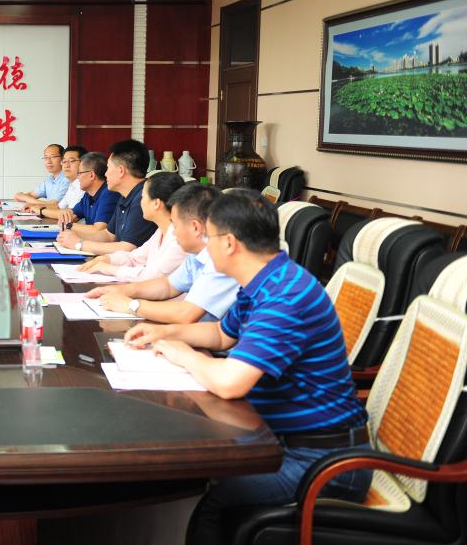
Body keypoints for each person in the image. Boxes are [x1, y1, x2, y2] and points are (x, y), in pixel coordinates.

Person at [123, 190, 370, 544]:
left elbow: (230, 383)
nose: (204, 246)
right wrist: (163, 332)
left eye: (209, 237)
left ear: (229, 243)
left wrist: (183, 354)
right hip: (279, 438)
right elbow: (222, 335)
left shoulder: (285, 296)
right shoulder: (265, 279)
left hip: (321, 460)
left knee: (213, 498)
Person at [86, 183, 238, 324]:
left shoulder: (220, 260)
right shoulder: (196, 254)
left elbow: (186, 313)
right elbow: (168, 286)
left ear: (196, 228)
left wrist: (132, 305)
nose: (173, 232)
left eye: (175, 225)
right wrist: (121, 290)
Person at [77, 171, 186, 281]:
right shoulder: (160, 232)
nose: (140, 202)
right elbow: (134, 258)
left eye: (143, 197)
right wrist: (107, 259)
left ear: (156, 203)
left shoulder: (179, 239)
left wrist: (109, 268)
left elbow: (153, 276)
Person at [57, 139, 156, 254]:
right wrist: (71, 237)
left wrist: (79, 244)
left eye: (108, 168)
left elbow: (128, 248)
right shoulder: (125, 196)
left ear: (121, 171)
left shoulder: (143, 198)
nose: (105, 173)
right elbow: (108, 235)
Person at [49, 152, 117, 228]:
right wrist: (65, 217)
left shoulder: (109, 194)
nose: (78, 177)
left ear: (91, 175)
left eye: (79, 173)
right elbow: (71, 215)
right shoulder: (88, 195)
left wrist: (69, 225)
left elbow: (99, 229)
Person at [28, 144, 87, 217]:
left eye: (71, 161)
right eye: (64, 161)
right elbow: (59, 207)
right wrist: (36, 206)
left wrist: (41, 210)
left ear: (83, 163)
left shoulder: (82, 186)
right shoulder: (73, 184)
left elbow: (70, 215)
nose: (66, 165)